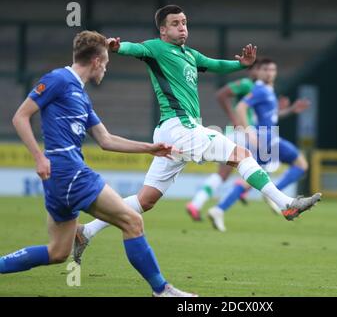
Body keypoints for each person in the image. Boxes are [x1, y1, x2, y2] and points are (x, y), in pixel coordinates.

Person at [74, 5, 321, 264]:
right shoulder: (156, 48)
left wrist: (241, 64)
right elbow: (135, 48)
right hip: (180, 128)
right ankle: (285, 204)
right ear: (163, 30)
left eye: (184, 22)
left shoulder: (190, 54)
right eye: (176, 23)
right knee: (242, 155)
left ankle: (85, 231)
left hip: (173, 133)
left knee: (145, 200)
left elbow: (215, 65)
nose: (182, 27)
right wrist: (116, 47)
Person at [0, 30, 196, 297]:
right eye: (106, 62)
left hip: (60, 178)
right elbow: (20, 117)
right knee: (132, 221)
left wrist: (150, 149)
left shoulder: (81, 96)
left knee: (58, 252)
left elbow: (106, 139)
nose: (106, 68)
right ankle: (162, 291)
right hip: (68, 170)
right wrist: (38, 156)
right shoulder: (58, 79)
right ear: (96, 61)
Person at [207, 58, 310, 232]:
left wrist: (290, 110)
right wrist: (249, 132)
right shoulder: (260, 89)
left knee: (252, 178)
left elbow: (270, 116)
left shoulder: (268, 90)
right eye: (266, 70)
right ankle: (274, 192)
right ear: (259, 72)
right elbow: (240, 107)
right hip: (266, 137)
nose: (270, 73)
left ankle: (219, 209)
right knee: (301, 163)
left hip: (266, 136)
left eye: (272, 69)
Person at [185, 60, 260, 221]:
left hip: (248, 133)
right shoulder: (247, 84)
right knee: (227, 173)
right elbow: (222, 94)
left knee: (225, 174)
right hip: (241, 133)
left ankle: (197, 204)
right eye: (258, 69)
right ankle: (239, 191)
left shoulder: (260, 90)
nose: (260, 72)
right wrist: (234, 118)